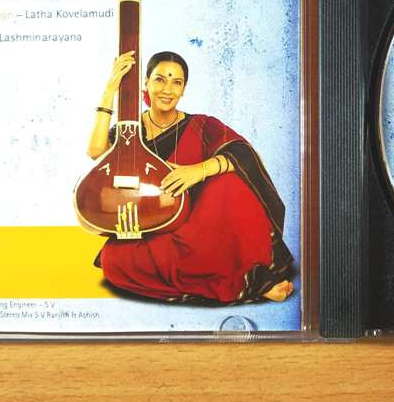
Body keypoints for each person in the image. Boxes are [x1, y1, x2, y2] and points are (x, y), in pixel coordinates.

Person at [87, 50, 295, 304]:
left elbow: (243, 153)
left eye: (177, 82)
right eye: (160, 79)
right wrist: (109, 90)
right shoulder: (129, 131)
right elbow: (96, 151)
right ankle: (223, 273)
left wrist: (197, 171)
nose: (167, 90)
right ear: (146, 82)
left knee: (230, 183)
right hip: (157, 231)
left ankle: (249, 279)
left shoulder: (202, 125)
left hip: (202, 228)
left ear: (184, 89)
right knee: (112, 260)